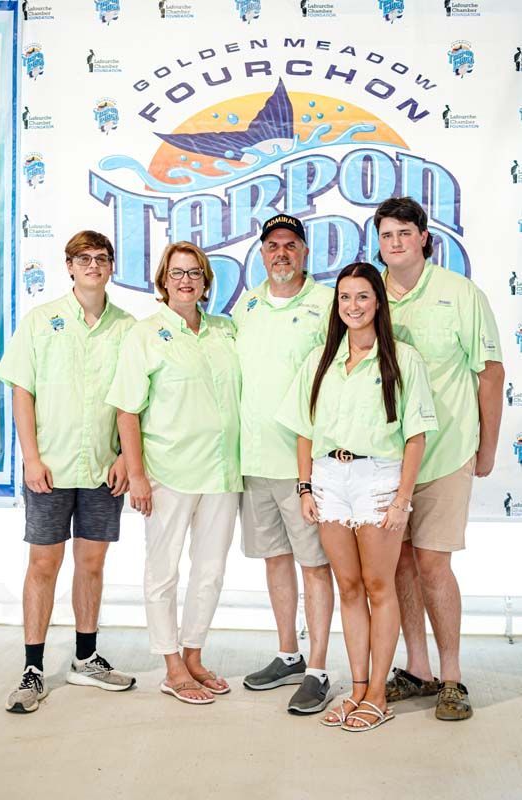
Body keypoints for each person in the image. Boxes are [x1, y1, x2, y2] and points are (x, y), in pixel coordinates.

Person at [277, 262, 437, 731]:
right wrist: (305, 485)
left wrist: (402, 499)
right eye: (345, 297)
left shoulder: (403, 359)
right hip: (329, 479)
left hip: (378, 480)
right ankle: (359, 688)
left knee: (378, 586)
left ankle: (380, 696)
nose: (353, 306)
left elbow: (416, 436)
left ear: (378, 303)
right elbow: (304, 430)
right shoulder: (321, 359)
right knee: (347, 587)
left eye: (362, 296)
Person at [374, 196, 504, 720]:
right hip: (385, 459)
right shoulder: (368, 295)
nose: (396, 242)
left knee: (432, 563)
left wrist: (487, 449)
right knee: (400, 563)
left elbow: (489, 374)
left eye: (405, 232)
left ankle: (452, 676)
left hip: (446, 452)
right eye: (387, 235)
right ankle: (418, 669)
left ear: (424, 237)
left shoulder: (460, 294)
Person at [0, 230, 136, 714]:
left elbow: (134, 400)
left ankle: (85, 657)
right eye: (83, 258)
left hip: (103, 468)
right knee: (43, 565)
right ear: (69, 267)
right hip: (50, 469)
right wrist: (30, 458)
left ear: (111, 266)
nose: (93, 265)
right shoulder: (41, 321)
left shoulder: (127, 327)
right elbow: (21, 392)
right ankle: (33, 668)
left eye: (101, 258)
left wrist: (125, 458)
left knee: (92, 565)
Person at [106, 242, 242, 706]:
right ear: (163, 281)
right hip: (168, 472)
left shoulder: (226, 330)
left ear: (206, 282)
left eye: (195, 273)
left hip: (223, 472)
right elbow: (127, 410)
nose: (186, 280)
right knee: (163, 572)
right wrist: (138, 475)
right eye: (177, 272)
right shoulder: (145, 334)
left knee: (210, 571)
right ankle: (170, 665)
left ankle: (194, 655)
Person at [233, 214, 335, 715]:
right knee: (275, 560)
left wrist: (312, 471)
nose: (281, 254)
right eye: (272, 245)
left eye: (290, 245)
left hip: (305, 465)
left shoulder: (326, 304)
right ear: (262, 252)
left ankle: (317, 668)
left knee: (315, 565)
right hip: (253, 463)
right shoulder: (248, 303)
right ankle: (288, 655)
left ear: (305, 252)